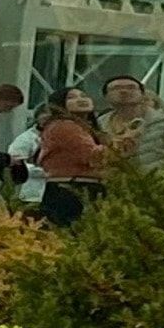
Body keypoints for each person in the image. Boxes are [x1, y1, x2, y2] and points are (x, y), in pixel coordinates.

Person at [27, 88, 104, 225]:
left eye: (83, 95)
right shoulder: (65, 126)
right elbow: (91, 156)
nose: (80, 99)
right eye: (72, 98)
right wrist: (126, 142)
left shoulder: (82, 127)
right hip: (72, 188)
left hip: (76, 186)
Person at [100, 72, 164, 171]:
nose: (124, 91)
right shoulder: (100, 124)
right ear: (106, 96)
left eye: (131, 87)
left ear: (142, 94)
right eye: (116, 88)